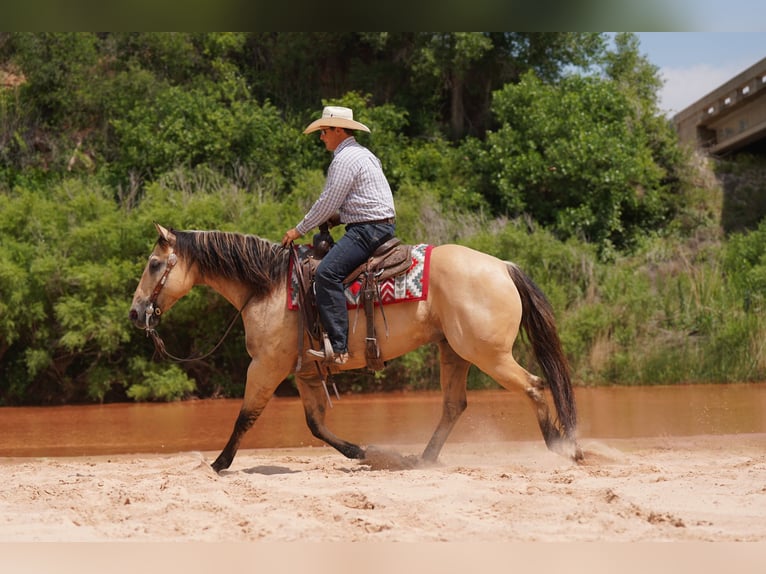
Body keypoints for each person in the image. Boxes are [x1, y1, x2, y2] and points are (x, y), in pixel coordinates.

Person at [281, 106, 396, 365]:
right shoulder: (364, 154)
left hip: (367, 230)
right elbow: (365, 201)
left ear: (338, 130)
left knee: (326, 274)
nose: (321, 137)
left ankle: (339, 347)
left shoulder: (344, 160)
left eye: (324, 131)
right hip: (378, 225)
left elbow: (327, 202)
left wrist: (298, 230)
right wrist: (340, 218)